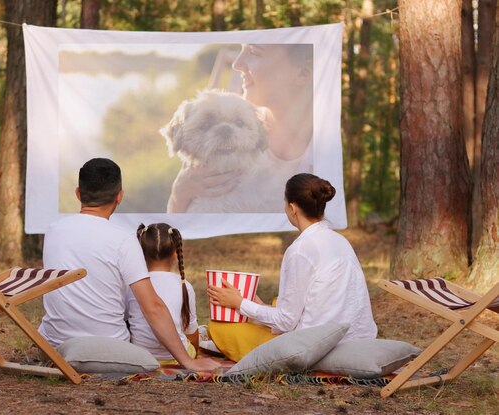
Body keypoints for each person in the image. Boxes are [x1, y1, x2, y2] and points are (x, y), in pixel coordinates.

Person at [38, 158, 218, 371]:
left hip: (51, 346)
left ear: (78, 193)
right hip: (108, 350)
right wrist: (187, 361)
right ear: (119, 196)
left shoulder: (53, 230)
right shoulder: (123, 240)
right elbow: (152, 307)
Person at [207, 174, 377, 361]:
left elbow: (286, 322)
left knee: (219, 328)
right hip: (358, 339)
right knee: (273, 304)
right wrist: (258, 307)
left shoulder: (299, 250)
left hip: (314, 347)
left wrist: (240, 304)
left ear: (292, 208)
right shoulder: (340, 240)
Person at [167, 44, 314, 213]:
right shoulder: (231, 102)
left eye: (254, 52)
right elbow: (175, 223)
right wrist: (179, 194)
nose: (236, 63)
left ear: (302, 73)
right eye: (240, 51)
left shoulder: (324, 149)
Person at [125, 223, 199, 364]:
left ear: (140, 253)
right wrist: (194, 355)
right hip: (176, 360)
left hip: (140, 358)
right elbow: (191, 332)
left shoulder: (132, 285)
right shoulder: (184, 286)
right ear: (176, 254)